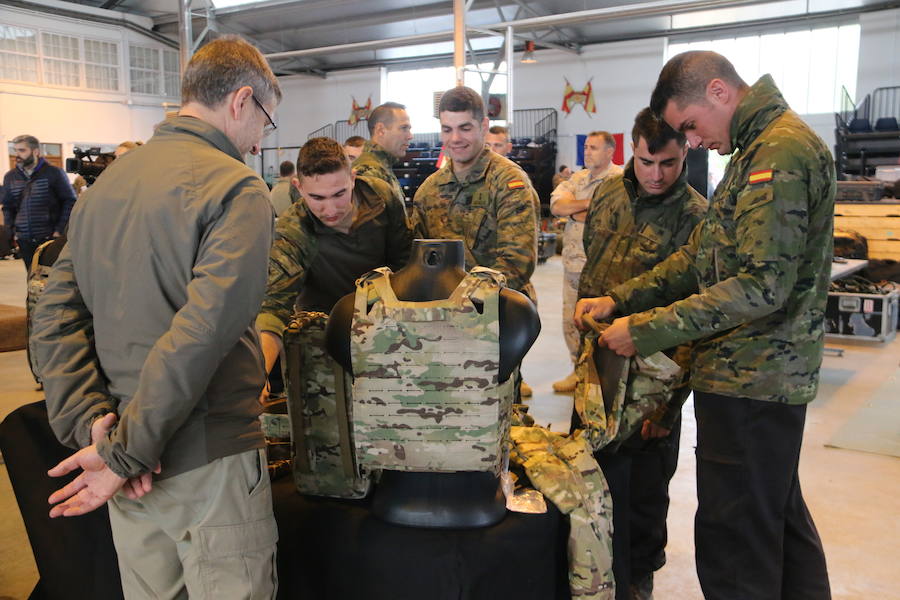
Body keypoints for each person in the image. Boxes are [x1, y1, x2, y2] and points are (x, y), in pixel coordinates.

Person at [576, 50, 834, 600]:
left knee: (736, 542)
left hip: (753, 380)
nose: (691, 142)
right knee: (778, 525)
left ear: (719, 92)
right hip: (753, 381)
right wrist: (619, 298)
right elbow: (701, 259)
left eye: (689, 126)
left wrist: (641, 330)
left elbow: (761, 286)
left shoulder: (777, 153)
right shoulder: (754, 151)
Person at [31, 35, 282, 598]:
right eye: (266, 120)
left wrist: (92, 424)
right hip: (203, 459)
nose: (261, 140)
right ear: (241, 101)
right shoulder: (238, 188)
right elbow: (201, 335)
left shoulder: (105, 186)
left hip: (125, 458)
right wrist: (126, 451)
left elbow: (53, 314)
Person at [576, 108, 708, 600]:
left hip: (654, 379)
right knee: (589, 481)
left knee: (643, 500)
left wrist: (667, 407)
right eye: (646, 161)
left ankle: (636, 586)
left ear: (685, 153)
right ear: (630, 149)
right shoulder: (608, 193)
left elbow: (696, 316)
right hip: (598, 366)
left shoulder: (697, 218)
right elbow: (593, 265)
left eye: (669, 164)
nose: (656, 175)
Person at [256, 136, 412, 403]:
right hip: (323, 340)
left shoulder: (381, 197)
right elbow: (273, 307)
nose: (330, 209)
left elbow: (405, 265)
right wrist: (256, 375)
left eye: (340, 194)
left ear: (352, 178)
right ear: (298, 187)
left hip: (386, 330)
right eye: (317, 197)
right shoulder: (294, 229)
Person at [412, 86, 538, 397]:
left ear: (483, 126)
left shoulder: (508, 183)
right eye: (447, 129)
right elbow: (416, 261)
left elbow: (518, 264)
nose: (455, 138)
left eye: (465, 128)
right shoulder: (429, 190)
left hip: (497, 324)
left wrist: (466, 309)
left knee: (497, 416)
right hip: (441, 327)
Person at [550, 131, 622, 393]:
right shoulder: (577, 178)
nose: (587, 152)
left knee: (601, 325)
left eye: (594, 148)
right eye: (587, 147)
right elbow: (557, 205)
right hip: (573, 267)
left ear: (609, 152)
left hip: (603, 269)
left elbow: (612, 215)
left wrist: (579, 210)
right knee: (572, 322)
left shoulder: (619, 179)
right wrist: (589, 206)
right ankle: (578, 372)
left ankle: (600, 378)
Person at [2, 134, 77, 272]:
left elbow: (70, 201)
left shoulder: (54, 173)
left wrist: (59, 230)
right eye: (16, 150)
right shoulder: (10, 177)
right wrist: (12, 231)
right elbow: (7, 206)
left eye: (22, 150)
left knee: (50, 277)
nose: (17, 154)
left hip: (49, 237)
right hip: (24, 238)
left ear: (35, 151)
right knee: (31, 276)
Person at [353, 102, 412, 204]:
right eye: (404, 128)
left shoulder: (381, 166)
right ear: (380, 130)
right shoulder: (368, 171)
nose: (410, 136)